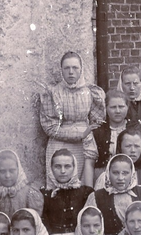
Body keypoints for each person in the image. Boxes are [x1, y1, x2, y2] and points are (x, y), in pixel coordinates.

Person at [38, 51, 100, 188]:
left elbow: (98, 119)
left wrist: (86, 134)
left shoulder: (90, 92)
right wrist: (78, 134)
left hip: (84, 143)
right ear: (61, 70)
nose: (71, 72)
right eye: (67, 68)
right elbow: (50, 127)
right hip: (59, 143)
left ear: (81, 69)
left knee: (82, 186)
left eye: (75, 68)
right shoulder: (53, 93)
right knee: (59, 182)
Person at [87, 154, 141, 235]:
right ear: (108, 173)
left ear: (132, 173)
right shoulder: (97, 197)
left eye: (125, 173)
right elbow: (89, 228)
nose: (120, 178)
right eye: (115, 173)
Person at [42, 148, 92, 235]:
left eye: (67, 166)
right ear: (51, 168)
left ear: (74, 167)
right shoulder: (45, 194)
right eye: (58, 166)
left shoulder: (85, 192)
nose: (63, 171)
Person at [0, 149, 44, 219]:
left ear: (18, 169)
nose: (7, 175)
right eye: (2, 171)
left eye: (12, 170)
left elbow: (35, 220)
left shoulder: (29, 193)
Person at [90, 90, 131, 172]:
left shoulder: (135, 129)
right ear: (106, 108)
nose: (117, 111)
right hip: (103, 173)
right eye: (113, 107)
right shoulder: (98, 131)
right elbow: (91, 163)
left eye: (121, 107)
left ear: (127, 107)